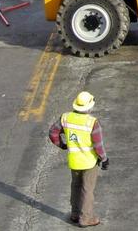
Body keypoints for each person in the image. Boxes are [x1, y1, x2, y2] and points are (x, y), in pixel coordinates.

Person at [49, 91, 109, 228]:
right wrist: (104, 159)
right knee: (87, 189)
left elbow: (53, 132)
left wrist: (62, 145)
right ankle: (86, 218)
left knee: (75, 186)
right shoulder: (92, 123)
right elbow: (98, 145)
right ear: (89, 107)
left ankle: (75, 214)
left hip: (74, 161)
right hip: (89, 162)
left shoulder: (65, 118)